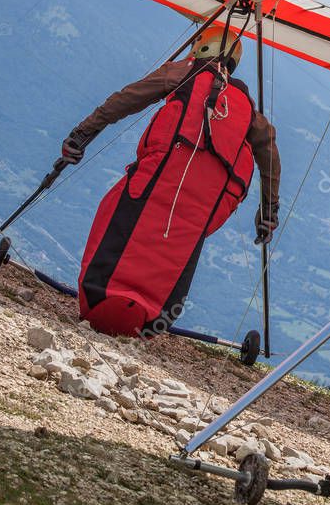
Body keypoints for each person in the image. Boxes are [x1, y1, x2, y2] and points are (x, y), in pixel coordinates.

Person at [64, 26, 281, 338]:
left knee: (118, 209)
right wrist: (269, 212)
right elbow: (270, 155)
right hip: (203, 210)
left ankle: (103, 295)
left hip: (152, 184)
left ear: (201, 48)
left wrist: (82, 133)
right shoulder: (249, 111)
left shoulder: (184, 73)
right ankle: (154, 318)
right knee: (183, 239)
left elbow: (126, 99)